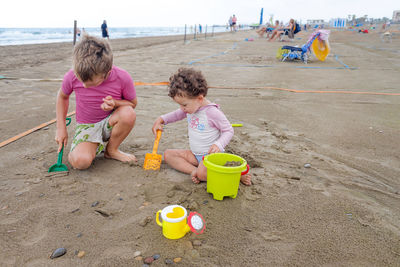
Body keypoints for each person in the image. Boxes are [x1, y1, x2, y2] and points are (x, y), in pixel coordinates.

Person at [152, 68, 252, 185]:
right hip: (195, 155)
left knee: (202, 174)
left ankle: (234, 174)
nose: (182, 109)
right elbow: (177, 115)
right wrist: (161, 119)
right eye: (179, 105)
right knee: (168, 154)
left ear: (200, 98)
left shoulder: (212, 112)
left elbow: (228, 130)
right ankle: (194, 171)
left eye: (184, 105)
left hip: (211, 157)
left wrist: (218, 145)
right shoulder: (191, 107)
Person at [55, 34, 137, 170]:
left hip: (110, 122)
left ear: (107, 72)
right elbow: (62, 97)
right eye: (82, 81)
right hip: (87, 126)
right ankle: (89, 147)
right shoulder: (71, 76)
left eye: (92, 83)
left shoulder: (122, 77)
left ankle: (111, 150)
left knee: (128, 113)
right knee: (81, 162)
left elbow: (133, 104)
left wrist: (115, 103)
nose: (85, 86)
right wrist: (61, 128)